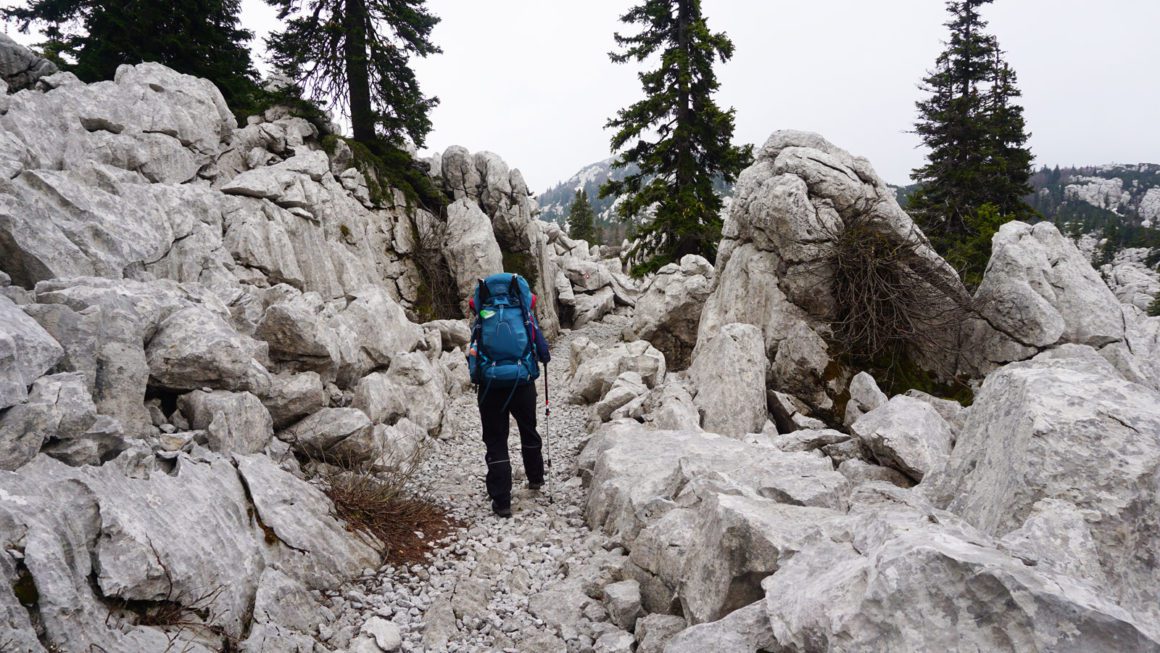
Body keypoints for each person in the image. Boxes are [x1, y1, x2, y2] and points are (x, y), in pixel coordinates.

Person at [466, 274, 551, 518]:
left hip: (490, 383)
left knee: (495, 439)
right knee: (528, 428)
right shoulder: (523, 311)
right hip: (522, 381)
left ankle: (502, 500)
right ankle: (535, 478)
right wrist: (541, 359)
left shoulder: (482, 309)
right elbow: (544, 352)